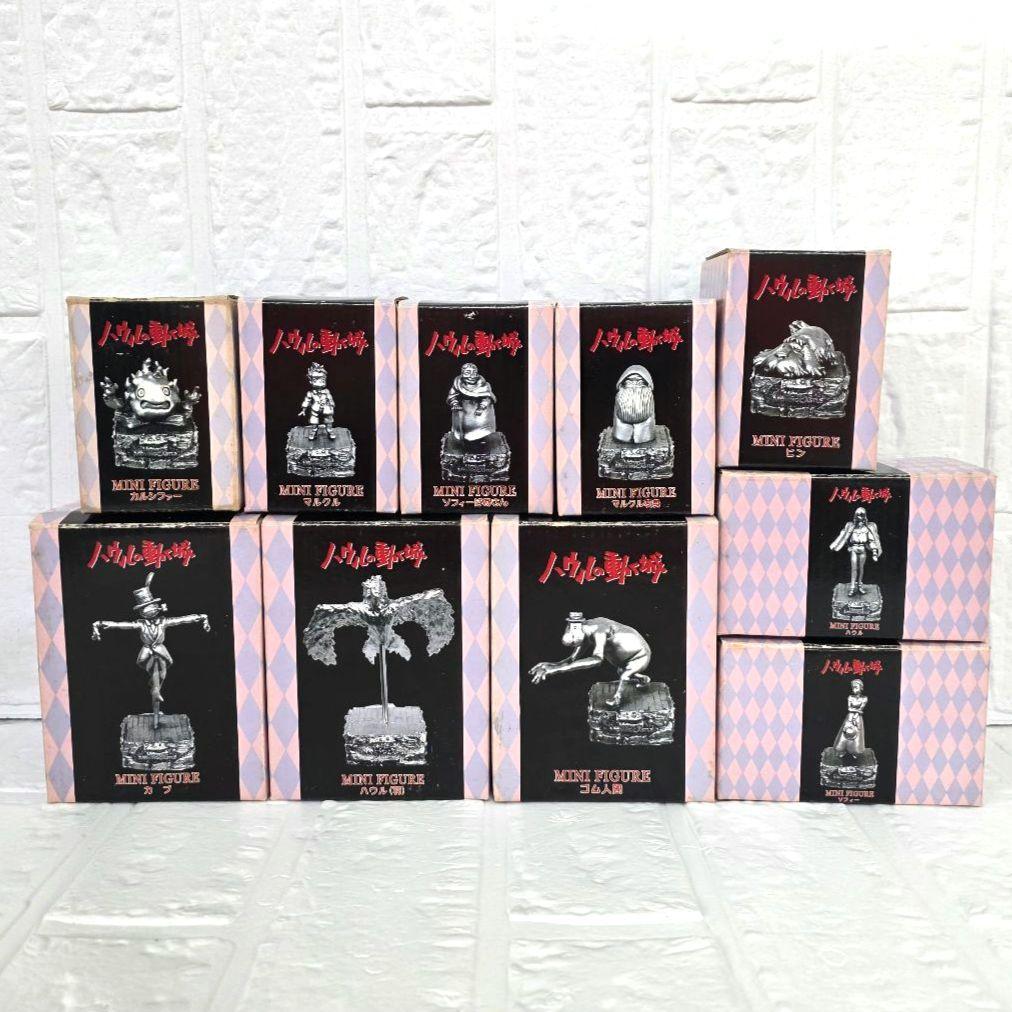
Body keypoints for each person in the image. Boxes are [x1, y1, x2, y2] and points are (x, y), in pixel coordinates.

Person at [92, 573, 210, 728]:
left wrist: (200, 617)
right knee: (154, 667)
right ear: (142, 612)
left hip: (161, 648)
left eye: (153, 607)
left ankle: (155, 690)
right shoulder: (140, 624)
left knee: (163, 671)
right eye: (147, 608)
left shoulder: (163, 621)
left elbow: (182, 620)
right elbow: (122, 625)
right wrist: (101, 624)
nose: (151, 610)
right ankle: (155, 690)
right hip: (147, 651)